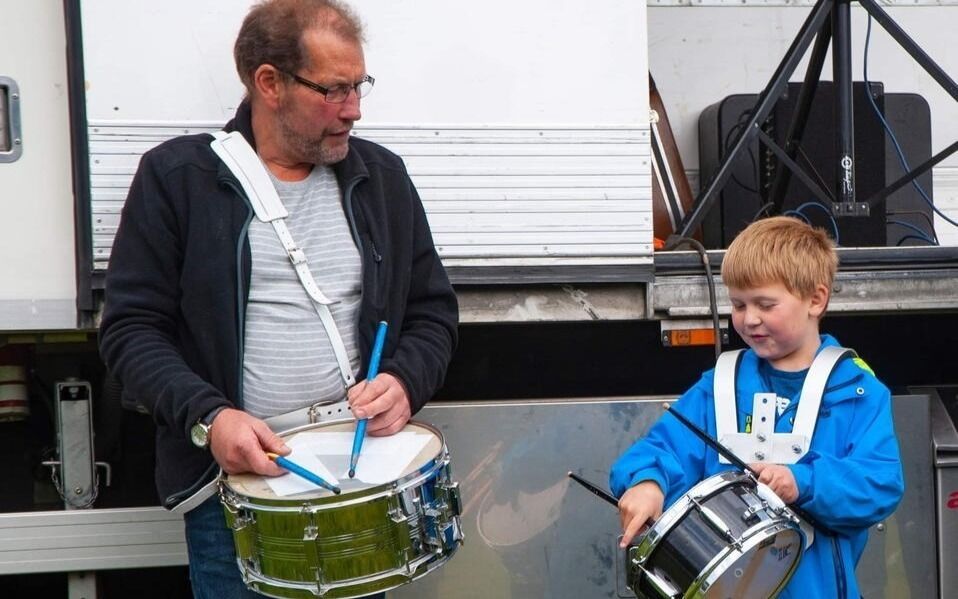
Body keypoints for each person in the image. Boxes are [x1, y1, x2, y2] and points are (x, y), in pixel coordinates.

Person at [98, 1, 459, 597]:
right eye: (334, 90)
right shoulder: (178, 177)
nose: (354, 110)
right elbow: (131, 330)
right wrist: (208, 419)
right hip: (237, 489)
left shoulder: (383, 177)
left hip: (359, 477)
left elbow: (432, 313)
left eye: (359, 86)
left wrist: (405, 380)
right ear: (269, 83)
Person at [610, 216, 904, 598]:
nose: (749, 319)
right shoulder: (718, 387)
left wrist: (803, 482)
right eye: (738, 304)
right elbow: (663, 449)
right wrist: (647, 482)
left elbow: (878, 484)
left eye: (766, 304)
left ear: (816, 299)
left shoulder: (857, 392)